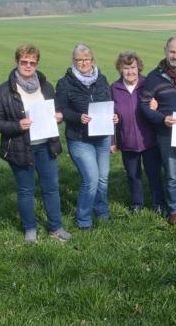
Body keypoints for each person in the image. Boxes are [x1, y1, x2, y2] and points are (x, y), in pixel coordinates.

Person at [0, 44, 72, 243]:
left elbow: (57, 110)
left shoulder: (46, 86)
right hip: (19, 147)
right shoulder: (3, 91)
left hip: (47, 146)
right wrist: (17, 125)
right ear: (16, 62)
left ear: (37, 64)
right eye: (23, 61)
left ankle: (56, 227)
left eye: (32, 62)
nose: (27, 65)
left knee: (51, 188)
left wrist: (59, 117)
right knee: (26, 190)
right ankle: (30, 229)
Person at [56, 43, 117, 231]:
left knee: (103, 179)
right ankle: (84, 220)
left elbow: (108, 104)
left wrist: (113, 117)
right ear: (73, 61)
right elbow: (62, 110)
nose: (83, 63)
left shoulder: (102, 79)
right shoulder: (64, 83)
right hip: (79, 138)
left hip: (102, 137)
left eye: (86, 59)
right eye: (79, 60)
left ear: (92, 60)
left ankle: (102, 213)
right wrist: (77, 117)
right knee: (91, 179)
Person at [140, 37, 176, 225]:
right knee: (172, 174)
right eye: (172, 51)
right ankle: (175, 209)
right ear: (165, 50)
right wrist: (161, 118)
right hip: (166, 133)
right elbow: (144, 105)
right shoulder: (153, 77)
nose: (175, 56)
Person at [109, 51, 164, 215]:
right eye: (126, 68)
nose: (130, 71)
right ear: (120, 69)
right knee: (133, 175)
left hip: (149, 139)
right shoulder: (114, 88)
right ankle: (137, 203)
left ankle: (158, 203)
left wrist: (157, 106)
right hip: (127, 140)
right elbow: (109, 115)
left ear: (138, 67)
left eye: (133, 67)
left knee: (154, 174)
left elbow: (161, 107)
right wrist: (112, 140)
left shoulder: (148, 84)